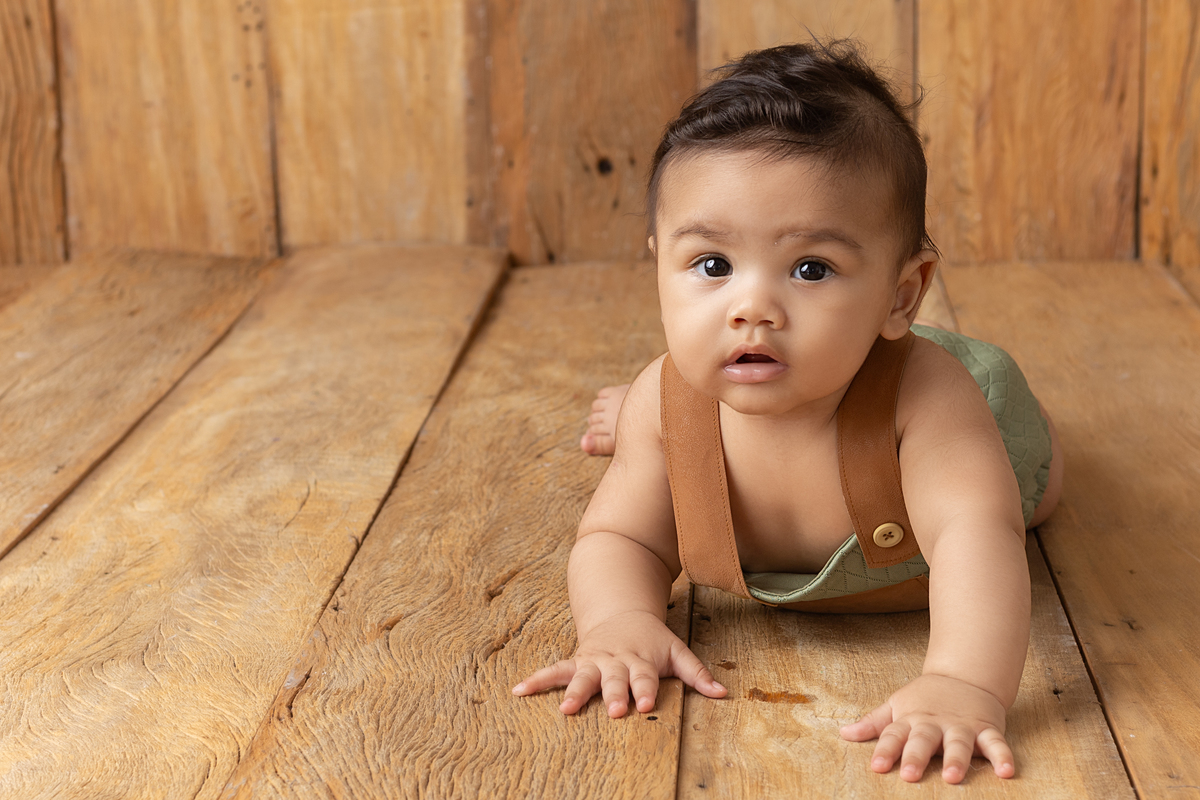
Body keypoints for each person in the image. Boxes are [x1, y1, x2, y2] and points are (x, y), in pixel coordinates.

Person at [512, 40, 1063, 785]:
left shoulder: (928, 402)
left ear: (901, 295)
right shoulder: (672, 401)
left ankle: (1024, 434)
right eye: (712, 265)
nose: (752, 309)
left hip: (975, 429)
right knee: (652, 421)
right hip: (712, 405)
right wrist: (619, 622)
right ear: (659, 269)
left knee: (1031, 487)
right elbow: (621, 537)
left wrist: (964, 683)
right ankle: (628, 412)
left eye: (811, 269)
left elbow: (977, 539)